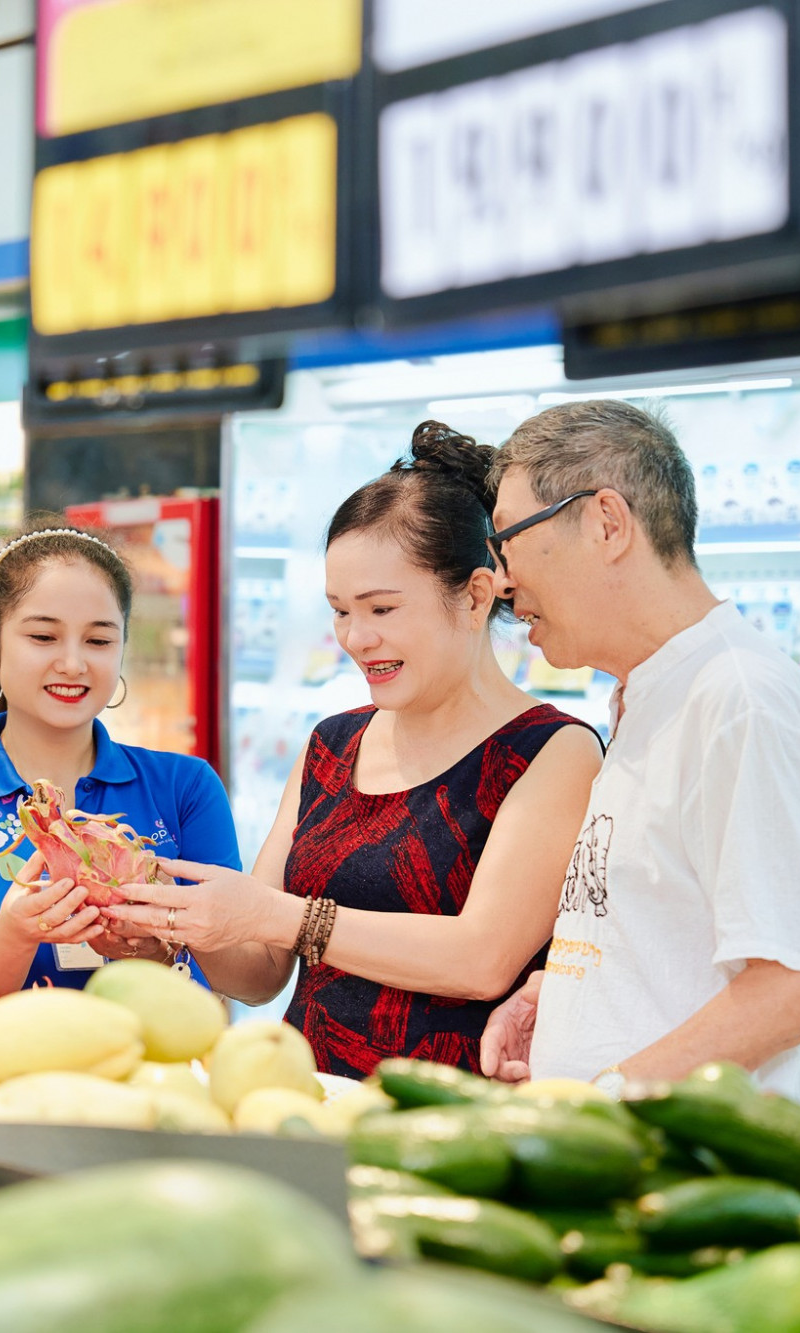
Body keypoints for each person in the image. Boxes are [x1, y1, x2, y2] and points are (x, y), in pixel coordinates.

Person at [102, 423, 603, 1077]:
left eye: (382, 609)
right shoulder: (331, 745)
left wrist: (282, 915)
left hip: (449, 1126)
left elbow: (482, 959)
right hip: (298, 1098)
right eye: (340, 610)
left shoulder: (554, 751)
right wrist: (166, 924)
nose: (355, 637)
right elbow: (257, 973)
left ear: (477, 594)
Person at [476, 399, 800, 1134]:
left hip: (729, 1197)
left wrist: (602, 1102)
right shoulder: (652, 691)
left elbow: (796, 986)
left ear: (606, 522)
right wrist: (564, 991)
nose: (502, 581)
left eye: (507, 540)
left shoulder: (738, 697)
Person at [0, 522, 239, 993]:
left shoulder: (184, 787)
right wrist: (16, 931)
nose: (73, 664)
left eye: (98, 641)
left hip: (165, 1065)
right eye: (44, 637)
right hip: (9, 1066)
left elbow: (254, 982)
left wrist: (165, 938)